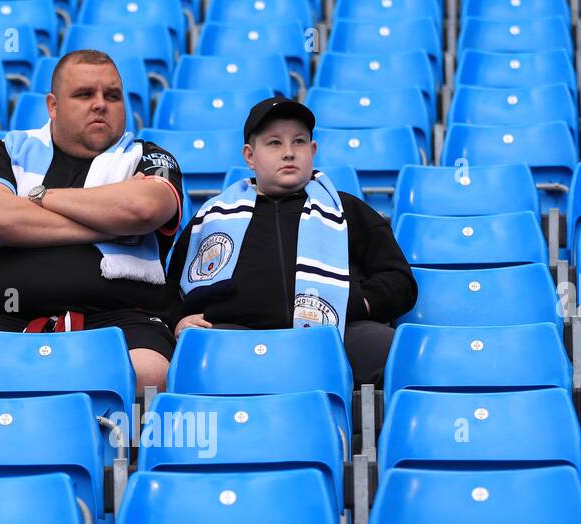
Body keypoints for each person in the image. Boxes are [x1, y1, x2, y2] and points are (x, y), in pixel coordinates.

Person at [0, 49, 184, 394]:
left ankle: (131, 449)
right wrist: (110, 220)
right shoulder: (8, 152)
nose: (100, 104)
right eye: (84, 94)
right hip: (10, 317)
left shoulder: (150, 157)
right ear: (53, 105)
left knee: (148, 372)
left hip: (124, 319)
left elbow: (142, 211)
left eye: (112, 95)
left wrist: (39, 197)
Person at [166, 97, 418, 386]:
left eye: (298, 142)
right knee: (196, 356)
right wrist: (178, 321)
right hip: (237, 335)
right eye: (274, 143)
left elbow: (400, 281)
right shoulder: (212, 218)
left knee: (402, 355)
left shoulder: (347, 210)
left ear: (312, 151)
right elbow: (171, 289)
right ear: (250, 155)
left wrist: (361, 302)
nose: (288, 153)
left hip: (336, 332)